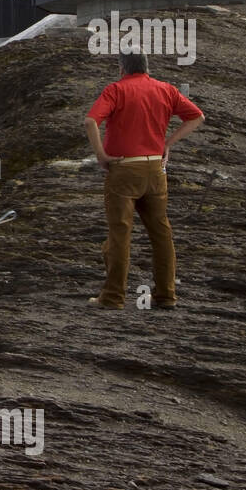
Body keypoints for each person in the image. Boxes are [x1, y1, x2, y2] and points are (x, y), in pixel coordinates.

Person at [83, 47, 205, 309]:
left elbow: (90, 122)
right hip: (155, 170)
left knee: (120, 233)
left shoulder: (116, 90)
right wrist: (168, 142)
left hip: (124, 170)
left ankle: (113, 297)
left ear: (121, 68)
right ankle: (166, 296)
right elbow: (197, 116)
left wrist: (102, 155)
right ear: (147, 67)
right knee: (161, 233)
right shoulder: (166, 89)